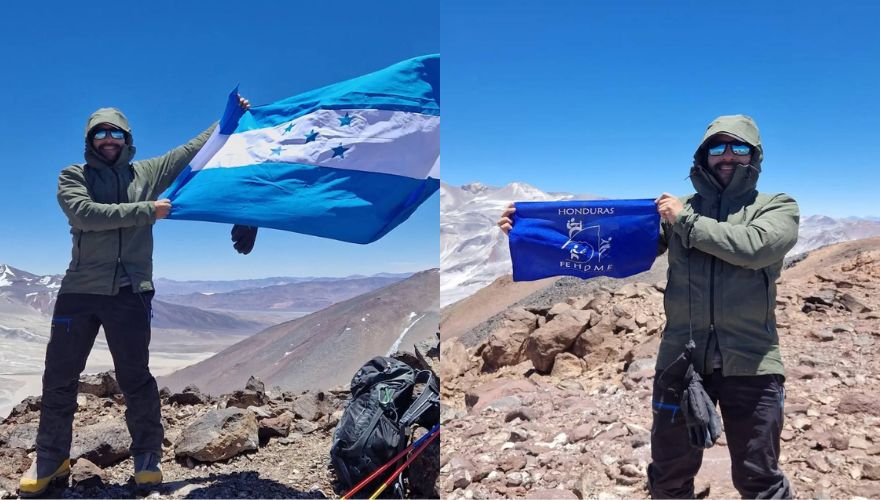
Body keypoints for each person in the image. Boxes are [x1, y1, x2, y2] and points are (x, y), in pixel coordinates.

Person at [498, 115, 799, 498]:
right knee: (669, 475)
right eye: (716, 147)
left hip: (753, 362)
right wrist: (532, 232)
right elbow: (613, 243)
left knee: (759, 476)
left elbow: (755, 247)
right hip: (681, 361)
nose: (727, 155)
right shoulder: (677, 209)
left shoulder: (776, 207)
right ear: (703, 156)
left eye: (738, 147)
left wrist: (684, 220)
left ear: (754, 156)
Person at [20, 96, 251, 497]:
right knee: (59, 379)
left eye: (116, 133)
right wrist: (149, 211)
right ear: (90, 140)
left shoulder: (145, 172)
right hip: (79, 292)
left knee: (135, 378)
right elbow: (84, 215)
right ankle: (50, 460)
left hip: (131, 293)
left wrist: (230, 118)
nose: (108, 139)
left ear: (127, 138)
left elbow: (189, 152)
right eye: (100, 133)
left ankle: (147, 458)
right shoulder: (73, 175)